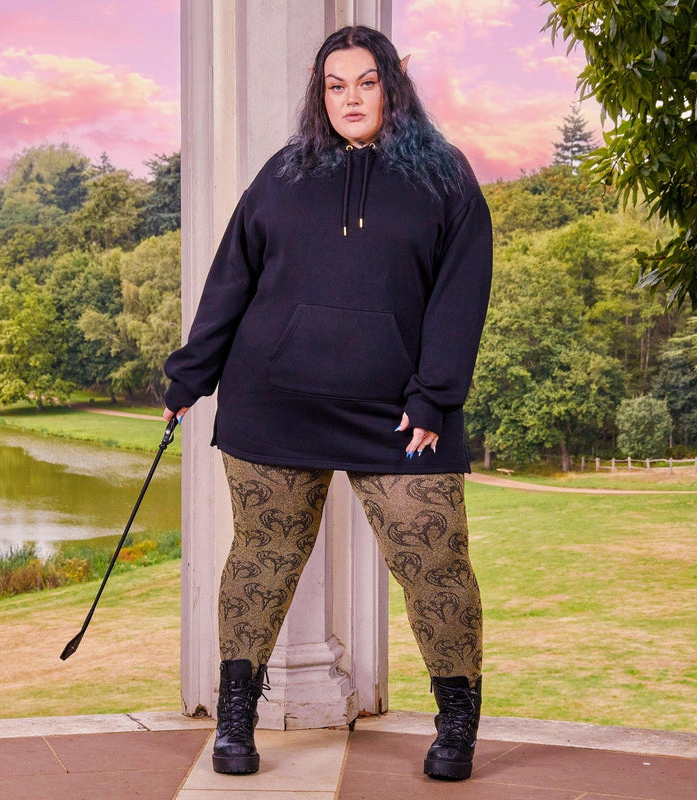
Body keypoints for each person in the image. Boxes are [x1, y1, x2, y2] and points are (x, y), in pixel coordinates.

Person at [164, 25, 492, 782]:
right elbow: (231, 281)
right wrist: (188, 379)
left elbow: (461, 295)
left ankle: (456, 724)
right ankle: (237, 716)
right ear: (320, 92)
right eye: (335, 85)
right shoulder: (283, 174)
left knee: (437, 566)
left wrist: (435, 397)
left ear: (392, 84)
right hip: (274, 402)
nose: (351, 98)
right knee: (261, 560)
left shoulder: (445, 177)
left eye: (366, 82)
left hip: (399, 415)